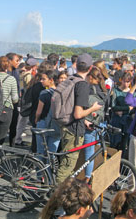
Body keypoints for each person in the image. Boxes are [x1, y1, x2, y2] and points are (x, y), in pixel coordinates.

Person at [56, 53, 102, 184]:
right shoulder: (82, 85)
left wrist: (85, 121)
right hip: (73, 130)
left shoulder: (70, 79)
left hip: (65, 125)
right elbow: (77, 114)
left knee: (66, 163)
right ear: (90, 67)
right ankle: (56, 197)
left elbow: (71, 108)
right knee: (67, 166)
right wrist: (92, 109)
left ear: (75, 66)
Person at [83, 66, 108, 183]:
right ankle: (92, 176)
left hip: (87, 123)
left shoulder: (87, 89)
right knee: (94, 151)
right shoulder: (104, 90)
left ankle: (85, 177)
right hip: (100, 123)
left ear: (91, 77)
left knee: (85, 152)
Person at [35, 70, 60, 159]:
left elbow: (39, 111)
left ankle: (40, 172)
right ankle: (50, 172)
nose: (41, 81)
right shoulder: (60, 93)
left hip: (44, 122)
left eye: (43, 79)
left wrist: (36, 119)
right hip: (56, 124)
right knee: (52, 153)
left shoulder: (44, 93)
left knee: (40, 152)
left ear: (51, 80)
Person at [110, 72, 134, 150]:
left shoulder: (131, 92)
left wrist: (123, 111)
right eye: (124, 81)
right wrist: (127, 108)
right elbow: (113, 107)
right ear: (121, 80)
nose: (126, 84)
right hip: (116, 120)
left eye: (128, 82)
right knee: (115, 142)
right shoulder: (116, 91)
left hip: (127, 120)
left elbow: (133, 108)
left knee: (124, 143)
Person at [6, 52, 20, 146]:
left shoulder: (16, 72)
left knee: (14, 126)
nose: (18, 63)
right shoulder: (5, 72)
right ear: (10, 61)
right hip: (6, 103)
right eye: (17, 61)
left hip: (15, 103)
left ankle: (12, 145)